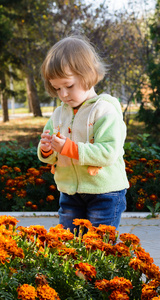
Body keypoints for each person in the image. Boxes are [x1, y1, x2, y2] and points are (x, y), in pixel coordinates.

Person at [37, 35, 129, 232]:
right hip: (70, 192)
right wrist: (46, 150)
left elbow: (109, 152)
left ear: (88, 75)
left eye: (68, 86)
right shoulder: (59, 113)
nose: (63, 94)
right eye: (57, 88)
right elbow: (51, 153)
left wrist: (69, 148)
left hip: (105, 193)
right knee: (68, 245)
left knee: (98, 248)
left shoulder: (104, 110)